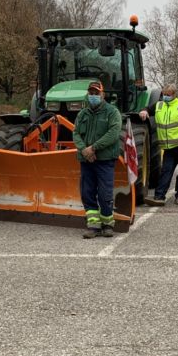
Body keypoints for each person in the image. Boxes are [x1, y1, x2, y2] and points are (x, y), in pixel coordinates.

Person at [73, 81, 122, 239]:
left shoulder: (112, 112)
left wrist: (93, 148)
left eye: (96, 93)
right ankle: (93, 225)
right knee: (87, 192)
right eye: (91, 93)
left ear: (103, 94)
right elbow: (76, 134)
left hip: (105, 160)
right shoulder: (82, 114)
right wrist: (84, 150)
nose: (93, 96)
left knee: (105, 194)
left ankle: (108, 224)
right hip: (86, 160)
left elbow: (113, 133)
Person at [140, 84, 178, 206]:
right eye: (164, 94)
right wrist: (144, 111)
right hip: (168, 148)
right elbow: (148, 109)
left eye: (168, 95)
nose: (165, 97)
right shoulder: (159, 105)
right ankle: (159, 196)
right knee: (166, 171)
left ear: (174, 95)